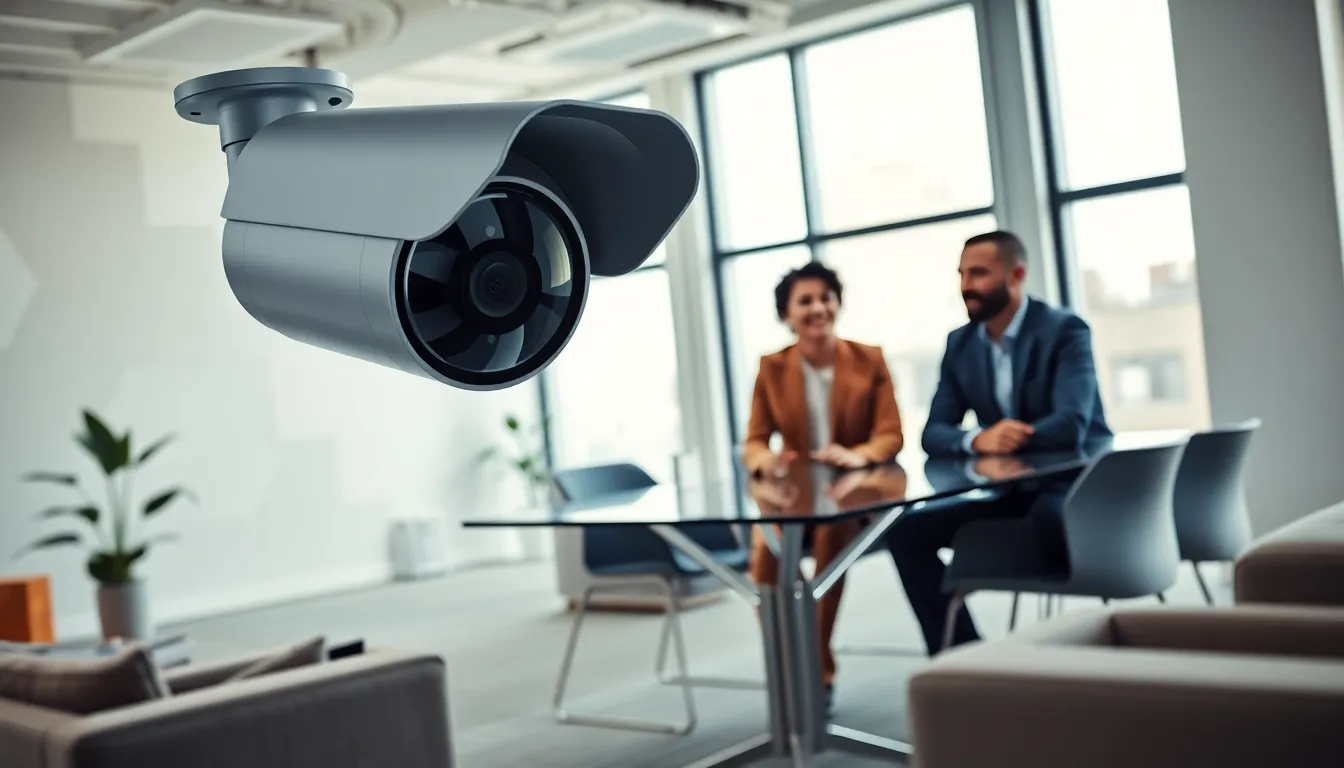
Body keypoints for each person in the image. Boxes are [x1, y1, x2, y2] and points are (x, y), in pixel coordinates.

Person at [887, 230, 1112, 655]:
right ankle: (964, 655)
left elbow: (1072, 425)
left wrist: (1008, 437)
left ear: (1017, 274)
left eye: (979, 273)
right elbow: (933, 434)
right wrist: (977, 439)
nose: (966, 285)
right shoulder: (961, 343)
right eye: (961, 274)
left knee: (1048, 519)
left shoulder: (1064, 330)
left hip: (1074, 488)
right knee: (905, 530)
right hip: (1011, 491)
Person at [742, 261, 905, 712]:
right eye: (805, 301)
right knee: (766, 554)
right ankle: (805, 664)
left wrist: (860, 454)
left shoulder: (869, 358)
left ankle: (814, 670)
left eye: (825, 297)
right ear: (787, 315)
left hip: (852, 491)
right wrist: (767, 462)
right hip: (793, 494)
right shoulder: (772, 367)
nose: (818, 308)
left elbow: (891, 433)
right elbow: (754, 440)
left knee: (834, 532)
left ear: (837, 302)